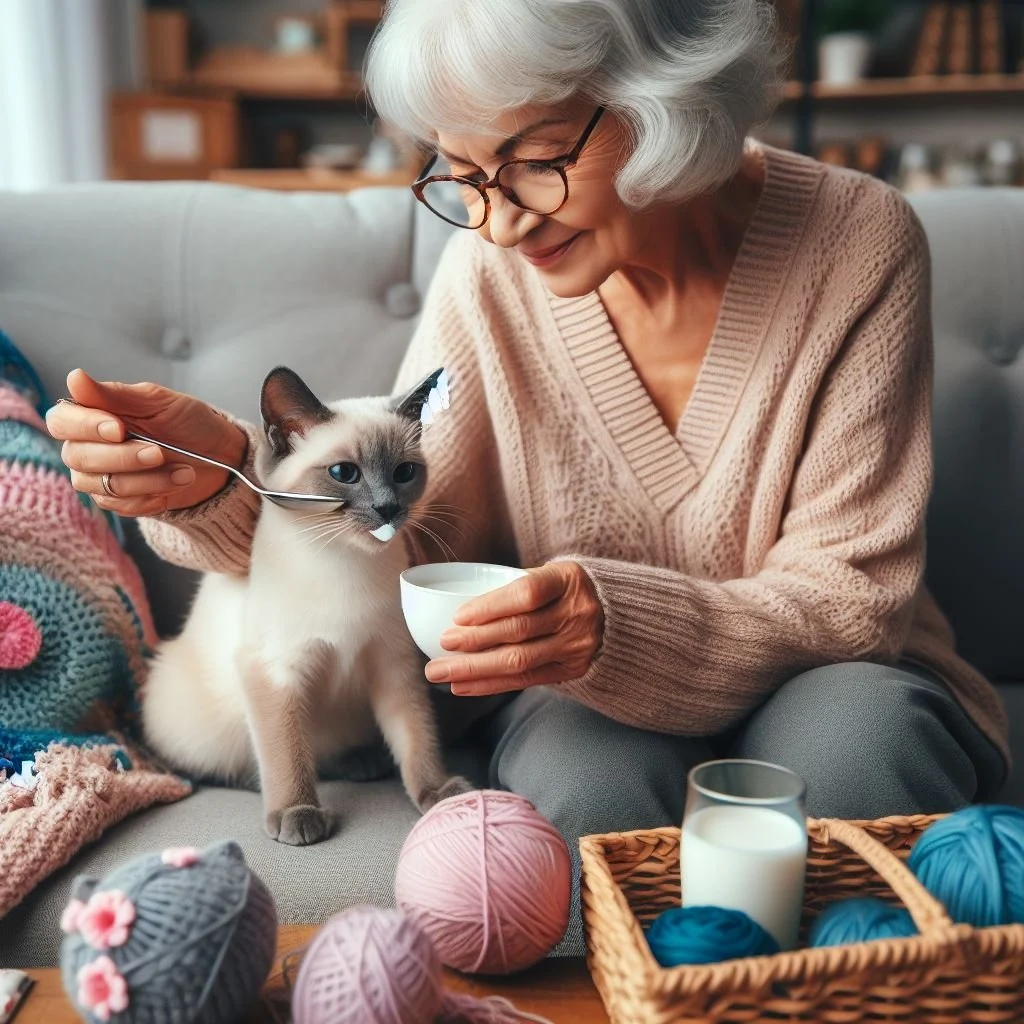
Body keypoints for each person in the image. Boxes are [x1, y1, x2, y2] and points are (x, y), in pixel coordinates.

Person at [48, 0, 1006, 953]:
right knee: (586, 793)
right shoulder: (486, 275)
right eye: (462, 175)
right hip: (579, 684)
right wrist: (223, 488)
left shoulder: (859, 240)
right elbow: (414, 540)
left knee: (854, 756)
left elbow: (854, 594)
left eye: (534, 160)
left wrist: (622, 623)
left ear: (670, 99)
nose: (497, 221)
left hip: (833, 669)